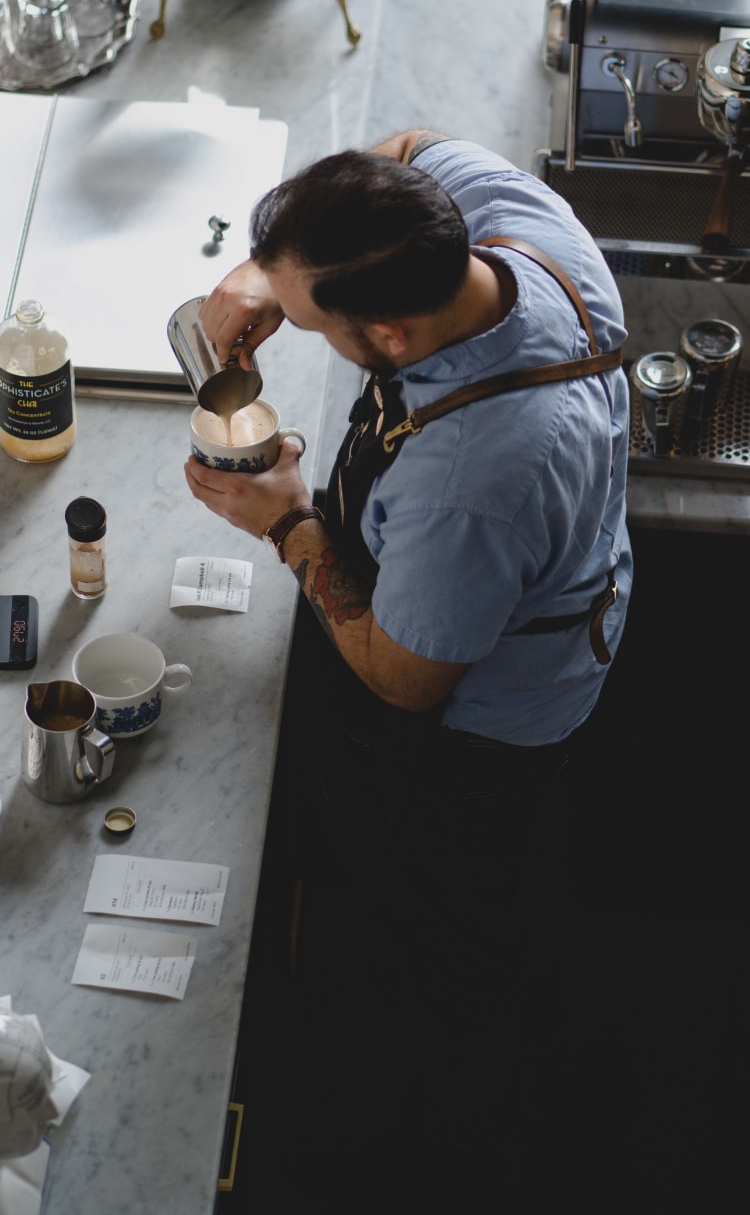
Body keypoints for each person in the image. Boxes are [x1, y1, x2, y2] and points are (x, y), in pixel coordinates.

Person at [185, 130, 632, 1189]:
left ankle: (452, 1143)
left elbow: (403, 675)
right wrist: (265, 268)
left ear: (386, 328)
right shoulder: (519, 227)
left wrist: (289, 523)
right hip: (564, 587)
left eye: (307, 323)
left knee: (451, 938)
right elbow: (405, 145)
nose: (288, 327)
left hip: (484, 733)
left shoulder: (473, 477)